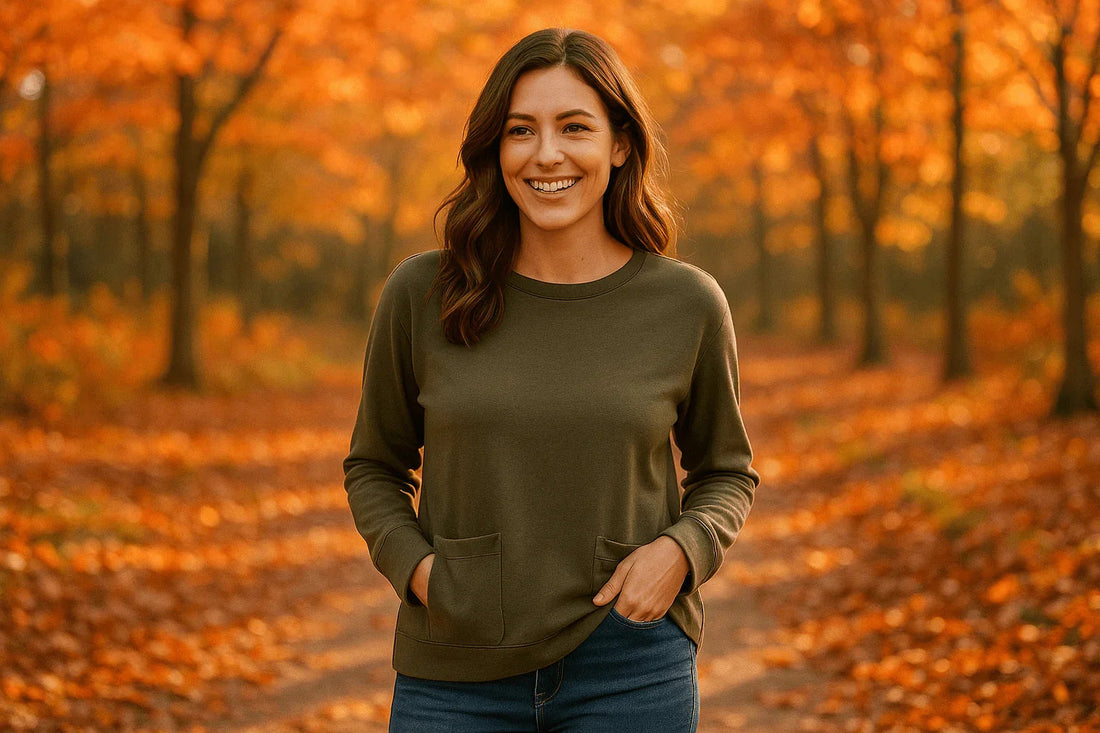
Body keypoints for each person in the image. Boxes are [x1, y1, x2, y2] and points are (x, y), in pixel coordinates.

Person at [342, 26, 760, 732]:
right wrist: (419, 572)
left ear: (620, 143)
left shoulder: (687, 303)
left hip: (631, 665)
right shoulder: (423, 293)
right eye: (520, 130)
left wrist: (681, 552)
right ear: (495, 148)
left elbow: (727, 471)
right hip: (455, 669)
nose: (547, 155)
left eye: (574, 127)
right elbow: (374, 465)